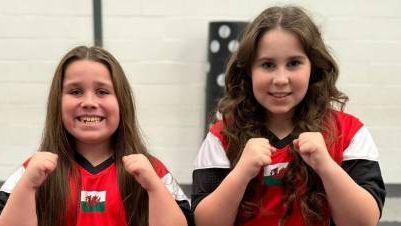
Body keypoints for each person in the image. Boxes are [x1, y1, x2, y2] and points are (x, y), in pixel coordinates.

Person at [192, 6, 385, 226]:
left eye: (293, 63)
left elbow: (364, 222)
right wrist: (241, 173)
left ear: (313, 66)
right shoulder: (221, 135)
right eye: (267, 65)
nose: (281, 79)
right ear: (248, 70)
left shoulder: (350, 133)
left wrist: (326, 166)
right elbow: (204, 223)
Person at [0, 46, 192, 226]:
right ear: (57, 103)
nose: (89, 102)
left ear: (122, 102)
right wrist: (27, 187)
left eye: (102, 92)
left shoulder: (153, 171)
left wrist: (153, 188)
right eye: (75, 91)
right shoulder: (33, 172)